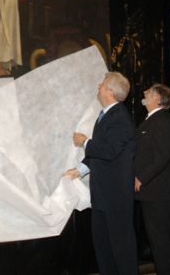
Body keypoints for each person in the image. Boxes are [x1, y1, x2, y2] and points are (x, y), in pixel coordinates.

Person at [65, 72, 137, 275]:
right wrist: (79, 170)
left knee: (121, 248)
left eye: (103, 84)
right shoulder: (105, 115)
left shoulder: (120, 117)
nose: (98, 86)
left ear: (111, 91)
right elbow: (100, 154)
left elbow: (109, 150)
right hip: (102, 193)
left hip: (115, 195)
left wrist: (85, 141)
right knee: (104, 247)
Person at [133, 83, 170, 275]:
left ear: (158, 99)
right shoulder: (151, 119)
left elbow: (163, 156)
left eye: (149, 92)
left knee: (161, 240)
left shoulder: (162, 121)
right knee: (157, 240)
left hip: (158, 192)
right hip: (152, 192)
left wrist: (142, 177)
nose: (144, 93)